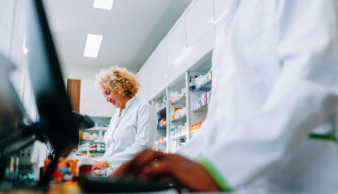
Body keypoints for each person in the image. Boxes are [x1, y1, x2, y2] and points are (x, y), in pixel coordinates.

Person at [112, 0, 338, 193]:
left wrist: (216, 168)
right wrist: (167, 163)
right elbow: (221, 122)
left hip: (300, 181)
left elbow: (311, 84)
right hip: (243, 183)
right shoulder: (229, 18)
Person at [92, 66, 157, 173]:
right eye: (105, 96)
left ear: (120, 87)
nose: (107, 100)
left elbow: (143, 146)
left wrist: (108, 162)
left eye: (108, 93)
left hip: (135, 175)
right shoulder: (116, 116)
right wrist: (96, 163)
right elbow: (111, 150)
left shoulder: (143, 108)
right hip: (115, 175)